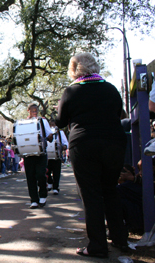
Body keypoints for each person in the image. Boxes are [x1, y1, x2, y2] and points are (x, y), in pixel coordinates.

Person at [55, 52, 128, 258]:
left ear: (74, 69)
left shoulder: (71, 91)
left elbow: (60, 122)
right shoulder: (111, 89)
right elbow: (118, 114)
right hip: (114, 142)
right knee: (111, 190)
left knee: (92, 195)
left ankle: (97, 246)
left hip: (85, 144)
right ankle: (120, 239)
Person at [23, 103, 53, 209]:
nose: (34, 113)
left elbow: (50, 137)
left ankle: (43, 195)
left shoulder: (43, 121)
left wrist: (49, 136)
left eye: (36, 111)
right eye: (32, 111)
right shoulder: (23, 123)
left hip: (41, 153)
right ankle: (34, 200)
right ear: (28, 111)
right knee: (30, 177)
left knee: (40, 174)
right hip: (28, 153)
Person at [46, 119, 69, 195]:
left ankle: (55, 188)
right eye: (51, 125)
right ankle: (49, 183)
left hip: (57, 156)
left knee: (56, 173)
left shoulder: (60, 133)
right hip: (48, 157)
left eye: (54, 125)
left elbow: (65, 142)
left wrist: (64, 146)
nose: (52, 126)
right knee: (47, 171)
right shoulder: (46, 132)